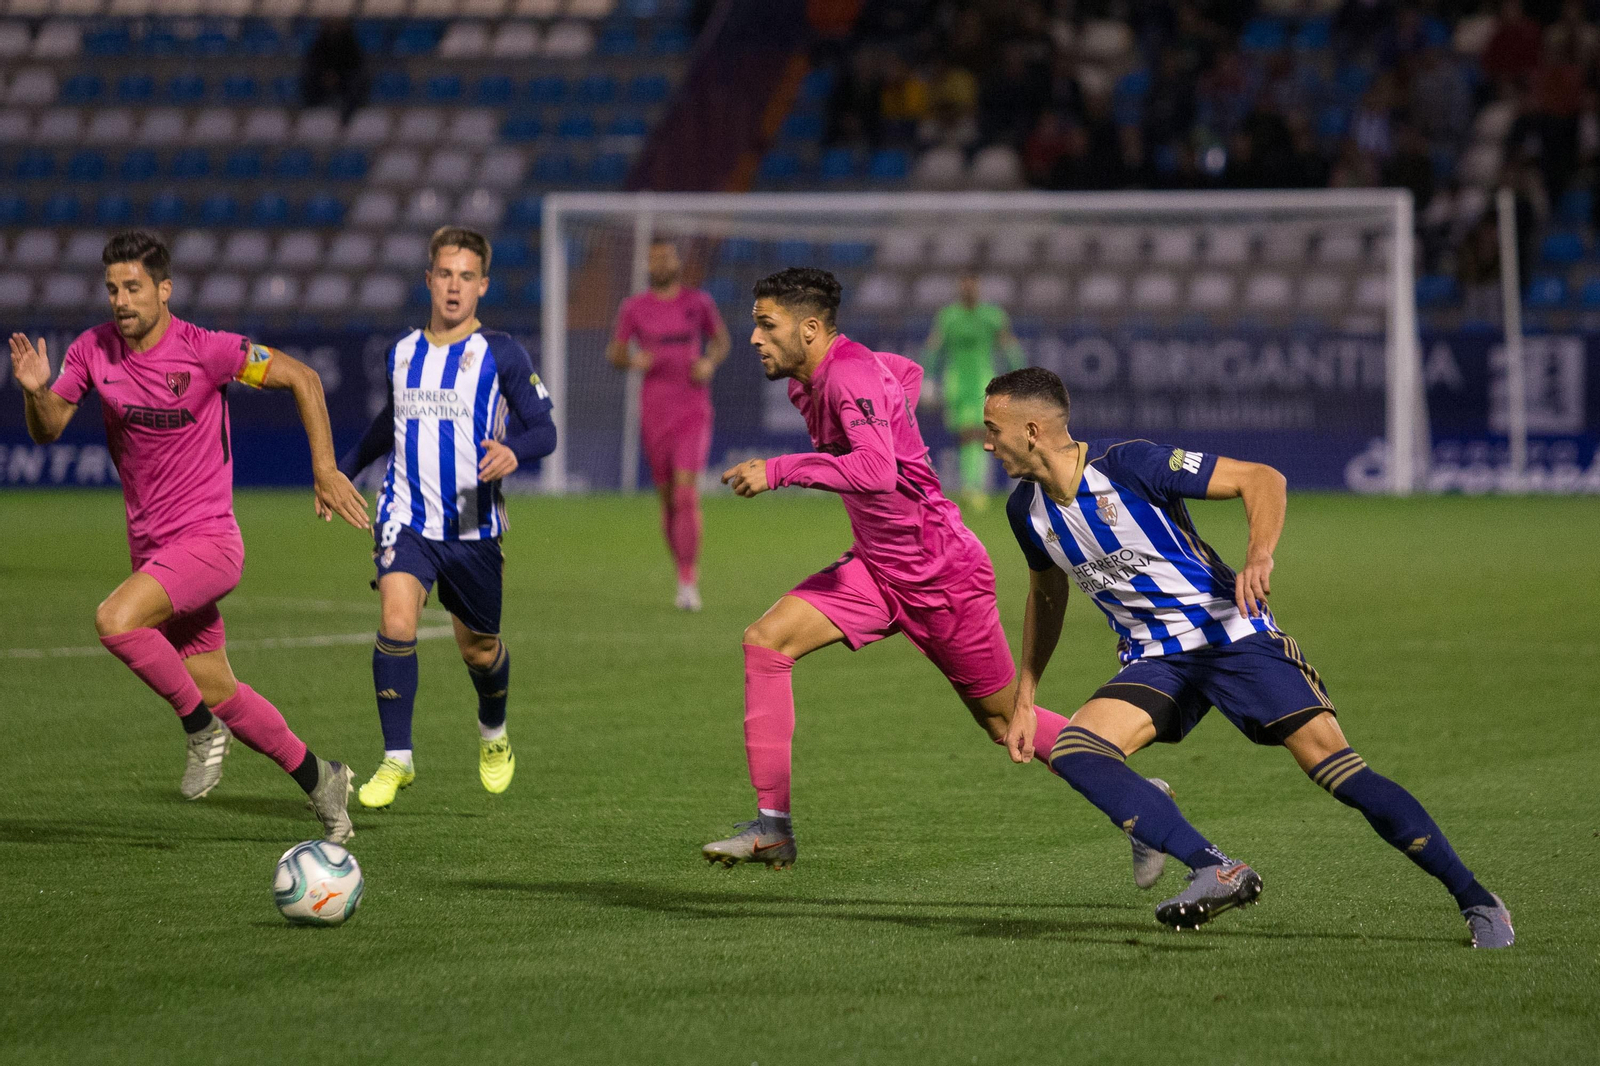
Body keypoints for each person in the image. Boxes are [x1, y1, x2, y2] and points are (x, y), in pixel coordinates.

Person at [983, 366, 1514, 947]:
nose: (985, 440)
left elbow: (1262, 478)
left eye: (993, 427)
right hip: (1158, 657)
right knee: (1079, 750)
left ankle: (1476, 899)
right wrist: (1027, 698)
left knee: (1338, 772)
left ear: (1031, 429)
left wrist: (1259, 555)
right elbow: (1047, 593)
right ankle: (1214, 867)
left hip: (1232, 635)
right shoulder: (1024, 512)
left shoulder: (1131, 466)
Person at [706, 269, 1178, 888]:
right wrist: (891, 418)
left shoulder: (845, 374)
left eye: (767, 325)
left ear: (811, 328)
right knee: (766, 641)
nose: (754, 338)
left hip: (939, 574)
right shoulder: (822, 379)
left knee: (1006, 722)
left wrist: (783, 469)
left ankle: (1143, 801)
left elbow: (875, 471)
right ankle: (773, 825)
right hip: (877, 568)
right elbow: (907, 374)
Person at [8, 230, 365, 841]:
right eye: (112, 289)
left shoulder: (211, 350)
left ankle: (199, 730)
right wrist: (37, 392)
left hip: (209, 542)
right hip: (152, 549)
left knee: (116, 621)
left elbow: (303, 378)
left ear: (164, 290)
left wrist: (325, 469)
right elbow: (48, 430)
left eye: (133, 288)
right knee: (218, 687)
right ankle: (321, 779)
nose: (120, 301)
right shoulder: (92, 350)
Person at [338, 226, 557, 810]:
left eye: (466, 276)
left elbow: (545, 430)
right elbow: (391, 422)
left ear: (482, 285)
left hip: (473, 527)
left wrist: (516, 451)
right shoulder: (401, 351)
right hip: (405, 517)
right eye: (444, 274)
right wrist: (345, 468)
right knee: (396, 621)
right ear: (429, 279)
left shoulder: (503, 353)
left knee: (479, 650)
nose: (454, 287)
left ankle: (493, 733)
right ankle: (397, 758)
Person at [606, 239, 730, 611]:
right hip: (655, 412)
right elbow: (615, 352)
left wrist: (709, 362)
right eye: (654, 258)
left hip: (693, 409)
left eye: (667, 256)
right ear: (647, 265)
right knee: (668, 501)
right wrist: (631, 361)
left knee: (686, 491)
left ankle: (689, 581)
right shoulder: (634, 308)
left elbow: (720, 341)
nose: (661, 262)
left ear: (677, 261)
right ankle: (682, 570)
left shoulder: (699, 303)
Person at [919, 273, 1023, 506]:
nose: (968, 289)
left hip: (983, 381)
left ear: (978, 287)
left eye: (972, 285)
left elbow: (1008, 345)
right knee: (966, 434)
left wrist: (1019, 374)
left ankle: (975, 485)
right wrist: (926, 377)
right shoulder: (949, 317)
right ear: (960, 288)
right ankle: (971, 485)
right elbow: (934, 347)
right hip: (956, 382)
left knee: (980, 431)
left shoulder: (992, 316)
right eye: (964, 285)